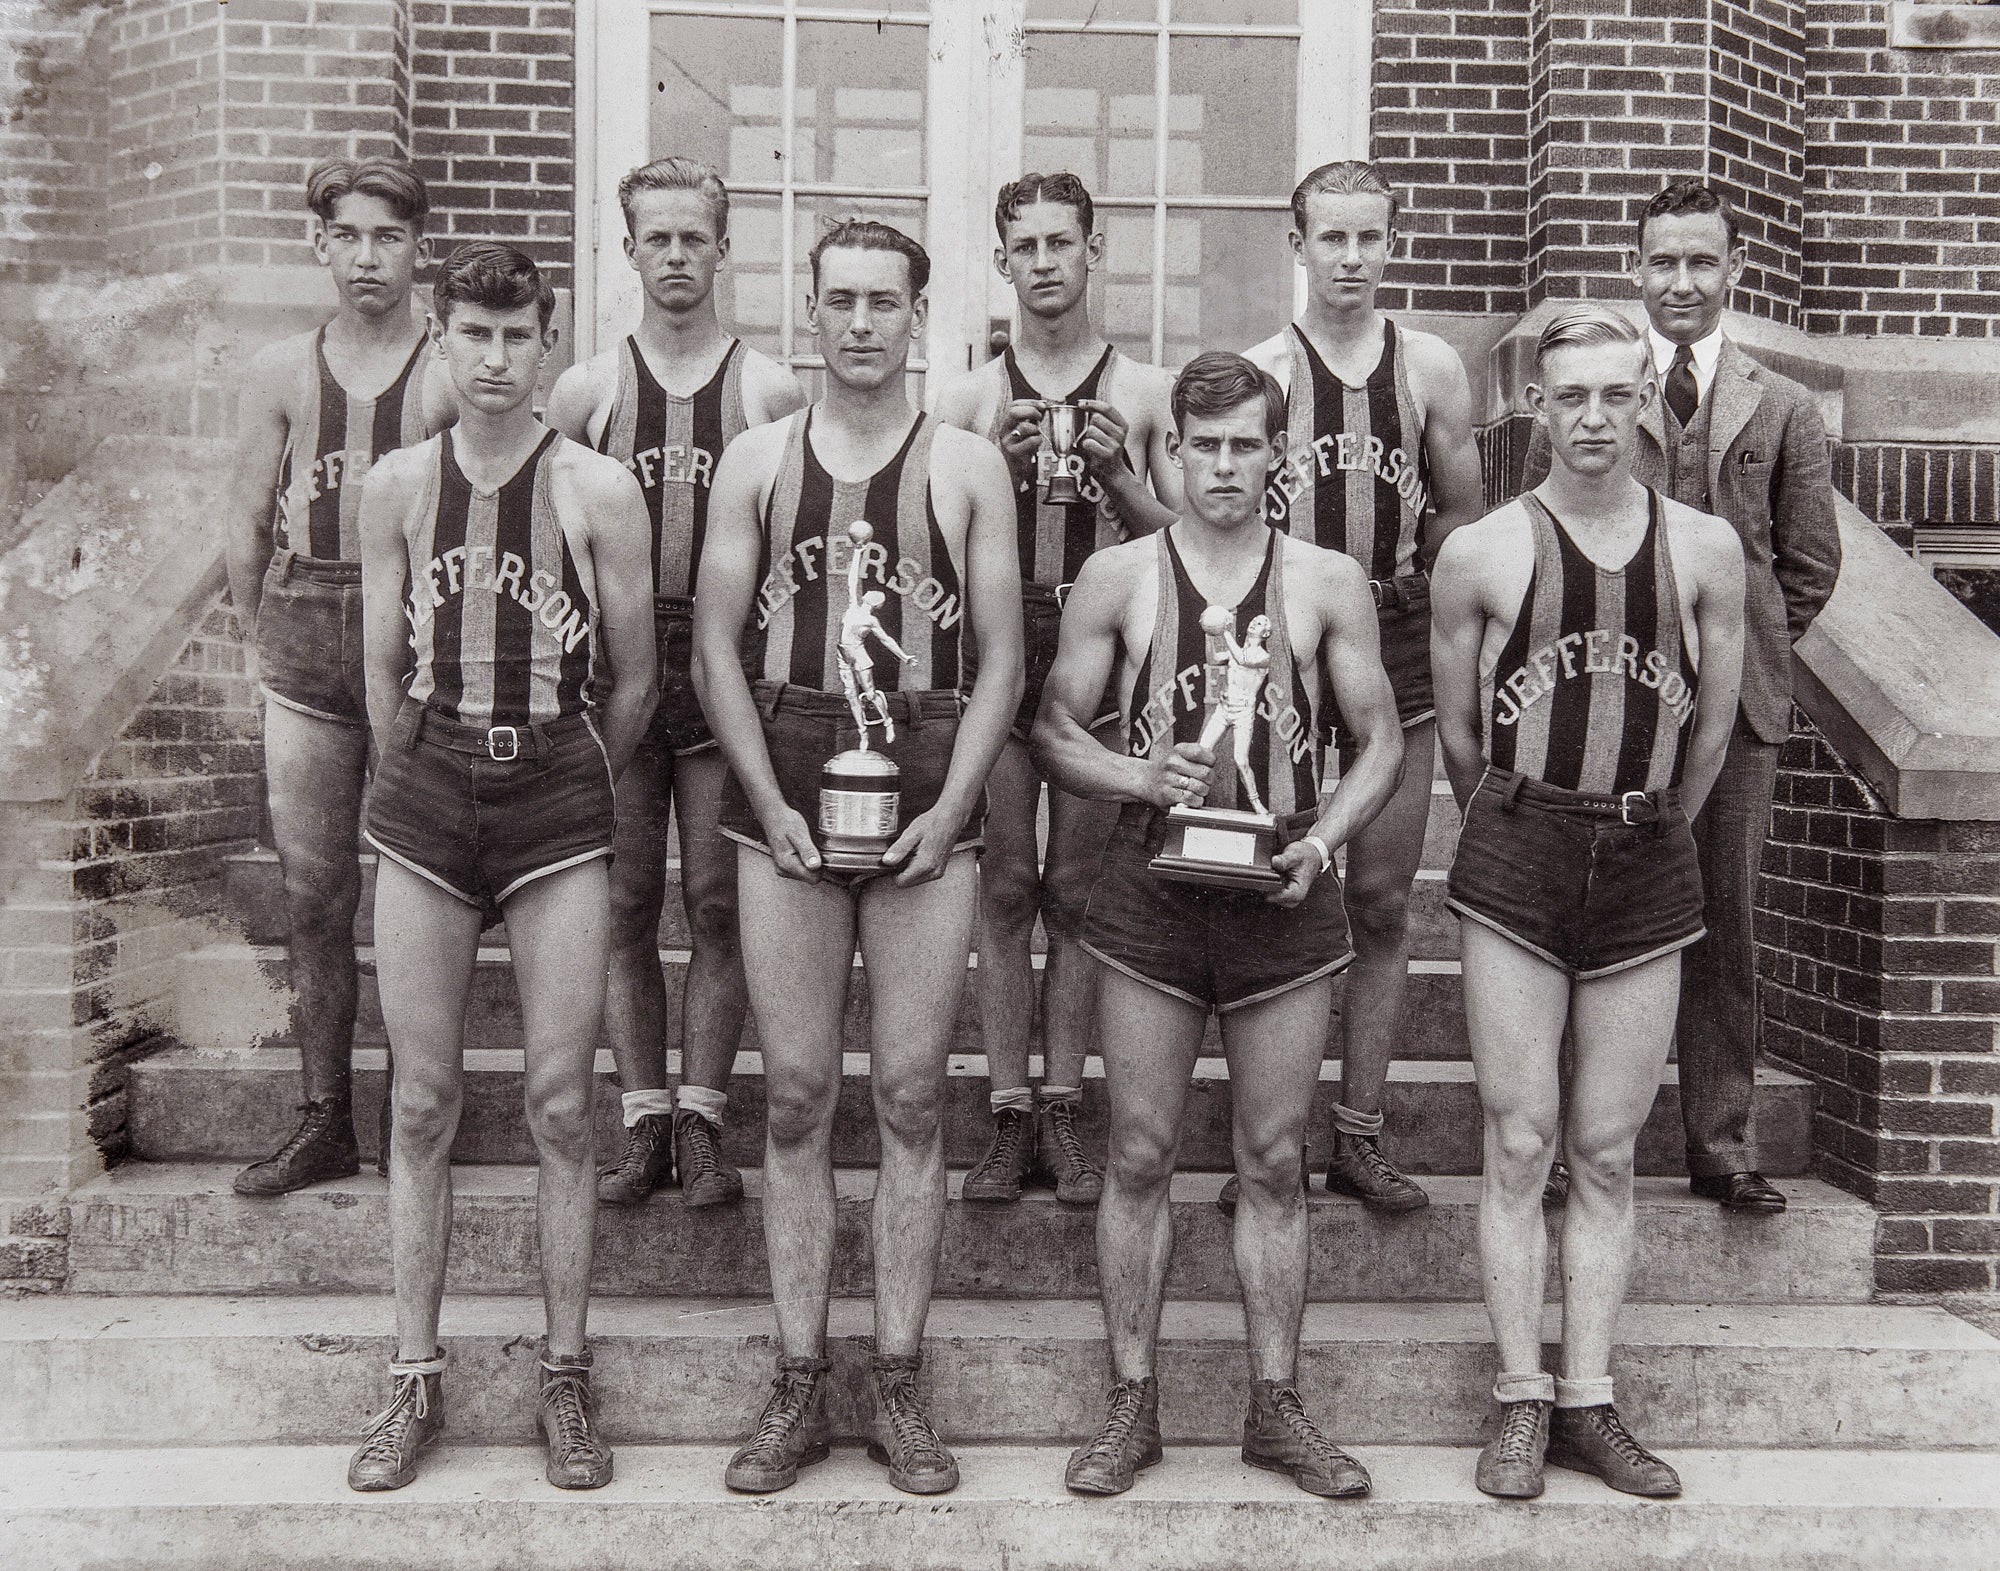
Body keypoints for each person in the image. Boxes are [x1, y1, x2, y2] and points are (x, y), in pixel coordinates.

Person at [1034, 352, 1403, 1498]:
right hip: (1150, 884)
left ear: (1276, 453)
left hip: (1282, 878)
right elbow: (1047, 729)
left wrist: (1325, 837)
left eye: (1247, 444)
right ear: (1173, 453)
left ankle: (1274, 1405)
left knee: (1274, 1158)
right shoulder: (1118, 573)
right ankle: (1129, 1402)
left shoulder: (1328, 579)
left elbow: (1381, 740)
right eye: (1206, 445)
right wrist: (1140, 778)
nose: (1226, 464)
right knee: (1138, 1150)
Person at [693, 220, 1022, 1497]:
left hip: (928, 770)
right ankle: (793, 1377)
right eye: (839, 301)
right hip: (787, 762)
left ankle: (894, 1374)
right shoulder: (760, 461)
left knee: (904, 1092)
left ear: (919, 315)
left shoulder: (966, 466)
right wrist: (765, 799)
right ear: (811, 312)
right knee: (791, 1096)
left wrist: (957, 810)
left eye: (885, 302)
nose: (862, 324)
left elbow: (999, 652)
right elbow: (716, 642)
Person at [345, 242, 659, 1493]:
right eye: (469, 333)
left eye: (515, 335)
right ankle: (412, 1375)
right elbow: (380, 667)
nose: (492, 357)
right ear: (440, 335)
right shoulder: (397, 485)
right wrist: (423, 771)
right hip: (426, 789)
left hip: (554, 794)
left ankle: (565, 1374)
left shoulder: (597, 490)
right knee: (420, 1100)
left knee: (561, 1102)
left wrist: (568, 772)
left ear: (548, 339)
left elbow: (635, 678)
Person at [1431, 306, 1745, 1500]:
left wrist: (1640, 816)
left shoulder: (1704, 548)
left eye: (1616, 394)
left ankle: (1588, 1397)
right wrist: (1523, 818)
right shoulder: (1484, 549)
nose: (1594, 418)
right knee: (1518, 1137)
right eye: (1570, 397)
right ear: (1536, 410)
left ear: (1647, 403)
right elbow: (1460, 733)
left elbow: (1707, 729)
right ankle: (1518, 1397)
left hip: (1644, 850)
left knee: (1607, 1146)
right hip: (1517, 846)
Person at [1522, 180, 1841, 1214]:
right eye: (1661, 261)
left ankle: (1721, 1137)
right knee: (1581, 915)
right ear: (1634, 267)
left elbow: (1807, 564)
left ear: (1733, 268)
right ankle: (1569, 1140)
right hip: (1605, 696)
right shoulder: (1591, 391)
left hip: (1735, 714)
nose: (1680, 281)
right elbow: (1538, 528)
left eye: (1701, 261)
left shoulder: (1781, 406)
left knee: (1723, 923)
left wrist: (1737, 651)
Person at [548, 157, 806, 1210]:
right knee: (619, 898)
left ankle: (701, 1117)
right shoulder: (587, 389)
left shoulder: (766, 388)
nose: (674, 256)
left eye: (693, 237)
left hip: (724, 664)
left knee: (712, 897)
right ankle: (641, 1116)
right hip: (616, 670)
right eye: (655, 238)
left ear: (723, 248)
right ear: (628, 250)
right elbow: (556, 534)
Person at [1239, 160, 1484, 1214]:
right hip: (1287, 640)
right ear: (1294, 245)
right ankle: (1272, 1140)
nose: (1348, 259)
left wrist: (1422, 592)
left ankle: (1359, 1132)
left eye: (1366, 239)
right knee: (1271, 894)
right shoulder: (1259, 372)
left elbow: (1463, 516)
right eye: (1328, 238)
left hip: (1389, 637)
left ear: (1391, 243)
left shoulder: (1427, 368)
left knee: (1380, 898)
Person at [934, 172, 1181, 1206]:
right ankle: (1004, 1110)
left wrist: (1119, 478)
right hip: (995, 649)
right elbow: (928, 550)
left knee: (1076, 891)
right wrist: (988, 467)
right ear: (1000, 261)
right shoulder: (963, 399)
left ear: (1094, 249)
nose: (1043, 261)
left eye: (1060, 242)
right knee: (1000, 884)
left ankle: (1066, 1109)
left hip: (1098, 659)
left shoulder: (1144, 389)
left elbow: (1191, 548)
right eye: (1023, 245)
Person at [223, 157, 454, 1196]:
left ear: (418, 249)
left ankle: (418, 1115)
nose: (369, 255)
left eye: (389, 236)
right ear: (321, 244)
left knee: (422, 883)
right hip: (308, 624)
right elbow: (244, 522)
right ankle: (325, 1117)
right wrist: (253, 639)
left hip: (418, 641)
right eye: (349, 235)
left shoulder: (449, 370)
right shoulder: (282, 369)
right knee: (315, 886)